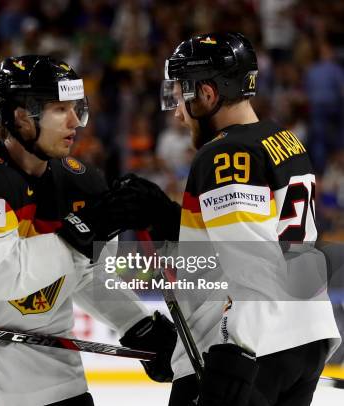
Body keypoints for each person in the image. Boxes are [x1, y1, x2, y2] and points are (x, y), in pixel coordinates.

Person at [0, 55, 177, 406]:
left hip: (62, 381)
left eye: (76, 108)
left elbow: (83, 274)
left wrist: (135, 323)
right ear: (21, 116)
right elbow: (3, 277)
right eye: (59, 110)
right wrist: (83, 231)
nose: (74, 122)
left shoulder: (81, 181)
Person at [130, 32, 342, 405]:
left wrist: (233, 358)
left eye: (180, 97)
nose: (178, 112)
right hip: (304, 335)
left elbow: (254, 269)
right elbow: (261, 241)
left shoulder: (225, 154)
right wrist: (170, 219)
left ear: (208, 95)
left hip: (251, 349)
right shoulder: (281, 138)